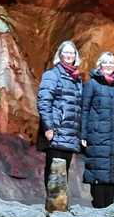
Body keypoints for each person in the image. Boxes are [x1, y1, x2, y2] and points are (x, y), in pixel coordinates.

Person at [80, 52, 114, 208]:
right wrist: (83, 134)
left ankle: (109, 209)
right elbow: (85, 109)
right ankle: (99, 208)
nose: (108, 65)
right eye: (105, 63)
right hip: (97, 135)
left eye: (111, 63)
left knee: (112, 172)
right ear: (99, 65)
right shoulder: (92, 84)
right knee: (97, 171)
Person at [35, 40, 84, 181]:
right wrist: (48, 127)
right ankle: (52, 203)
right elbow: (44, 102)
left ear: (75, 56)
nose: (69, 55)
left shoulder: (77, 79)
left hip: (70, 133)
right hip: (56, 131)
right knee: (53, 172)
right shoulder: (52, 75)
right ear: (60, 54)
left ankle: (61, 202)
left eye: (72, 52)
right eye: (66, 52)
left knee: (64, 173)